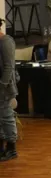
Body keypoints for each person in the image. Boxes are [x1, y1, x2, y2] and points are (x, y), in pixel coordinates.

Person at [0, 20, 17, 161]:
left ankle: (11, 148)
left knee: (6, 116)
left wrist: (2, 85)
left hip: (4, 88)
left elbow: (8, 67)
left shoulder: (6, 42)